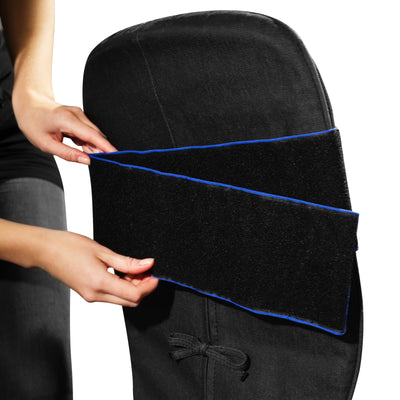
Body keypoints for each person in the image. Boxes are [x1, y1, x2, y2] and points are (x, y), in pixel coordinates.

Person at [0, 0, 158, 398]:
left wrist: (32, 94)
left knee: (37, 384)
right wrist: (43, 249)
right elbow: (44, 249)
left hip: (9, 141)